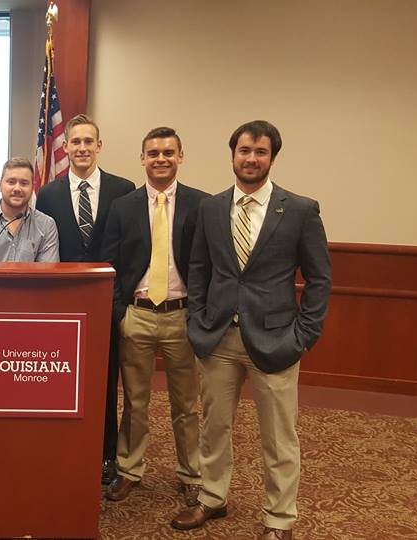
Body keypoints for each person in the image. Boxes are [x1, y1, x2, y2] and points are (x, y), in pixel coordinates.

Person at [172, 120, 332, 540]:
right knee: (214, 426)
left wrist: (304, 334)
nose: (251, 159)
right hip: (218, 337)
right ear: (232, 155)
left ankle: (279, 520)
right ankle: (212, 497)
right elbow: (199, 270)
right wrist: (197, 322)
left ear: (272, 158)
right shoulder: (211, 208)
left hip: (277, 340)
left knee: (279, 437)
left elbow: (319, 279)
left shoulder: (299, 210)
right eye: (244, 151)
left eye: (260, 152)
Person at [101, 126, 208, 505]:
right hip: (139, 316)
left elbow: (209, 264)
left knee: (186, 404)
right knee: (135, 401)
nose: (160, 159)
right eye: (153, 152)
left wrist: (201, 314)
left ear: (180, 156)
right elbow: (111, 264)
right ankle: (130, 470)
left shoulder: (201, 204)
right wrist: (120, 315)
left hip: (182, 316)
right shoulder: (124, 206)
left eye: (168, 152)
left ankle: (192, 474)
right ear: (142, 158)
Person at [36, 114, 135, 483]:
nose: (81, 148)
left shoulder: (124, 190)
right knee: (61, 379)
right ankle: (63, 446)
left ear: (99, 145)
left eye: (88, 142)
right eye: (74, 142)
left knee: (106, 381)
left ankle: (107, 453)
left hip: (107, 304)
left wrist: (120, 302)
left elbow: (132, 249)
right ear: (66, 147)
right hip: (62, 307)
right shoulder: (47, 194)